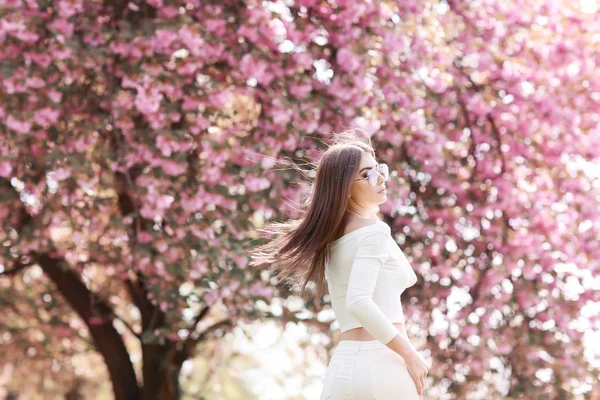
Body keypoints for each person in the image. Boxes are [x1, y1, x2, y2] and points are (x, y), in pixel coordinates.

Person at [249, 130, 429, 399]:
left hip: (343, 367)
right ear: (345, 188)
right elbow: (358, 300)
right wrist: (409, 353)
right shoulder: (374, 232)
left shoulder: (331, 238)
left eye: (379, 169)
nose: (380, 179)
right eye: (367, 174)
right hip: (382, 365)